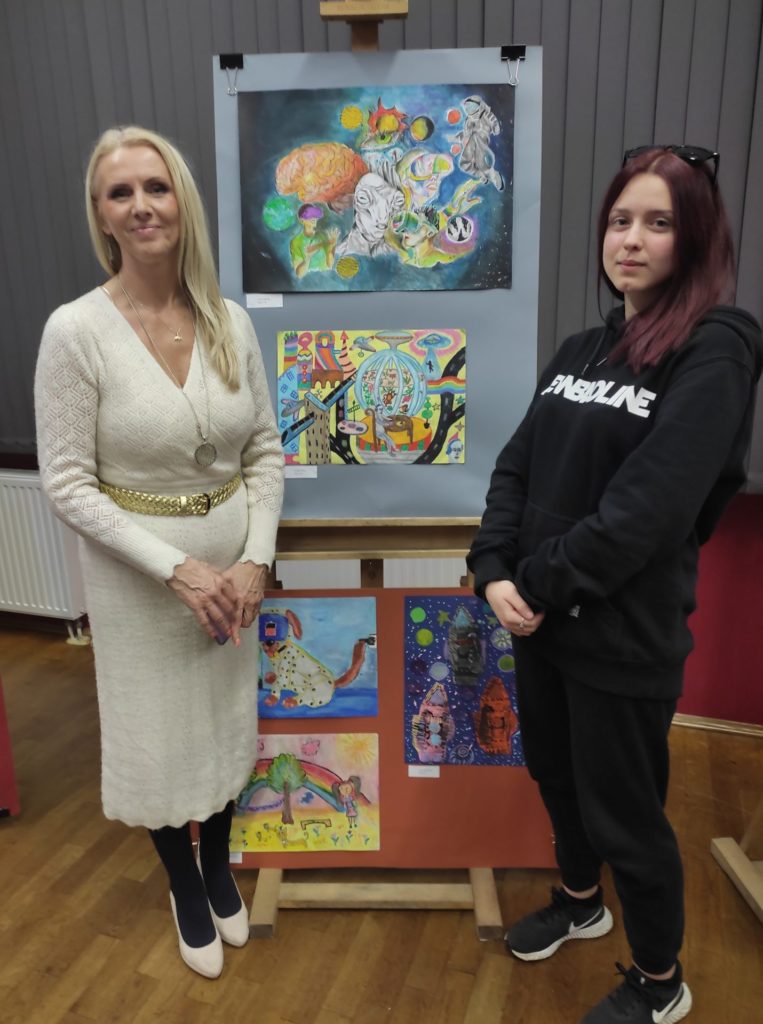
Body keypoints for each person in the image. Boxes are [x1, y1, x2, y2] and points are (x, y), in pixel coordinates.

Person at [467, 145, 762, 1023]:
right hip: (541, 622)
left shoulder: (714, 349)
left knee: (625, 814)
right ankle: (579, 902)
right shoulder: (581, 349)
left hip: (621, 634)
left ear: (694, 237)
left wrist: (535, 582)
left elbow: (648, 511)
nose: (630, 239)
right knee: (555, 776)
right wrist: (491, 569)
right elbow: (515, 467)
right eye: (619, 220)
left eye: (657, 223)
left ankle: (660, 982)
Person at [34, 126, 285, 980]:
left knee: (223, 722)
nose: (141, 206)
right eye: (121, 193)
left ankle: (217, 867)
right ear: (101, 215)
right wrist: (174, 567)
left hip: (233, 581)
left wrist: (253, 559)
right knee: (157, 736)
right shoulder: (76, 331)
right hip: (141, 584)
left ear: (182, 201)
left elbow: (264, 453)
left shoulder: (229, 321)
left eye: (156, 187)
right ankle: (183, 882)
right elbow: (68, 484)